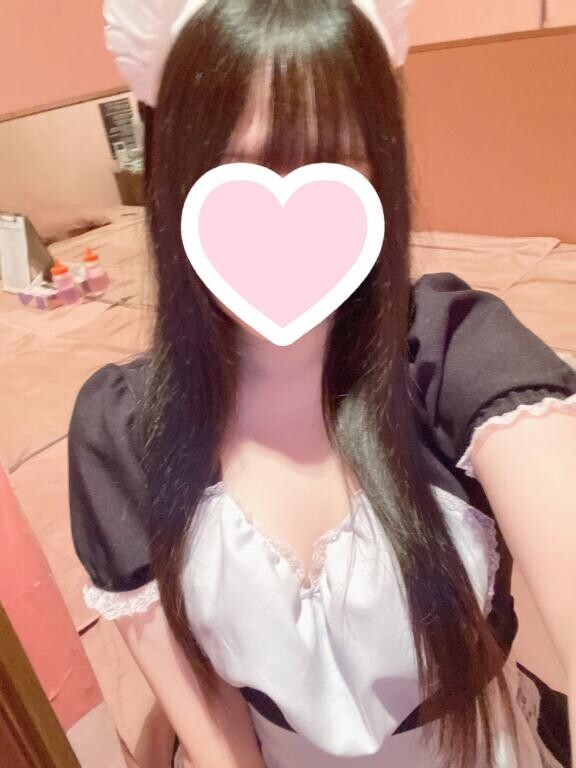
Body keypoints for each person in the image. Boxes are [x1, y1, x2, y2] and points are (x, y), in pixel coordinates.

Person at [68, 1, 576, 766]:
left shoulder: (455, 353)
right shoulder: (121, 431)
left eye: (333, 165)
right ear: (172, 183)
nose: (285, 206)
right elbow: (213, 730)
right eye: (233, 170)